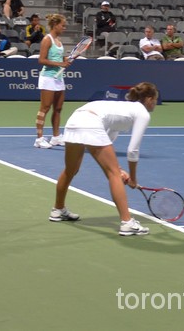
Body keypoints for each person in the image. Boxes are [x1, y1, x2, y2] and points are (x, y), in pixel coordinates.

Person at [50, 82, 158, 236]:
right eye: (155, 100)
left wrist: (120, 169)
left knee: (71, 169)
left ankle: (58, 210)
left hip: (75, 119)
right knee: (112, 174)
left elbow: (107, 140)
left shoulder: (123, 110)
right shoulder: (142, 113)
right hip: (90, 122)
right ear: (149, 99)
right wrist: (132, 178)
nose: (155, 104)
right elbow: (132, 150)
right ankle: (127, 223)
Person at [34, 14, 72, 149]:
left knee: (58, 108)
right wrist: (60, 64)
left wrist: (66, 60)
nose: (64, 28)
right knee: (45, 108)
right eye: (63, 25)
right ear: (55, 25)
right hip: (48, 78)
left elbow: (60, 57)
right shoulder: (47, 39)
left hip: (59, 78)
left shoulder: (59, 40)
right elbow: (41, 60)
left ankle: (56, 137)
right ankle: (39, 139)